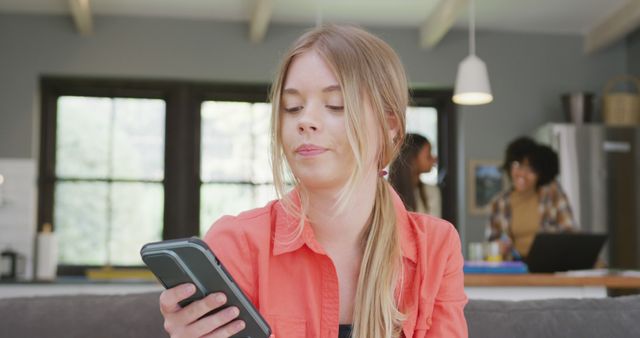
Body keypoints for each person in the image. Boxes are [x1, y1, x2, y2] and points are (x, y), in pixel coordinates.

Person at [159, 25, 467, 338]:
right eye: (292, 107)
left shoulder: (436, 247)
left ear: (389, 126)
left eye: (335, 104)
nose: (304, 121)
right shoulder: (236, 242)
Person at [488, 136, 576, 259]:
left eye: (530, 169)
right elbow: (492, 241)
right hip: (514, 269)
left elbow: (570, 234)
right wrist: (498, 246)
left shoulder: (553, 195)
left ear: (540, 174)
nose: (522, 174)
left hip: (550, 267)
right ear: (509, 166)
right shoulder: (499, 203)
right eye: (517, 164)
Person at [388, 133, 442, 217]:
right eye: (428, 155)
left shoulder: (432, 192)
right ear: (412, 159)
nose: (434, 159)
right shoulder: (386, 195)